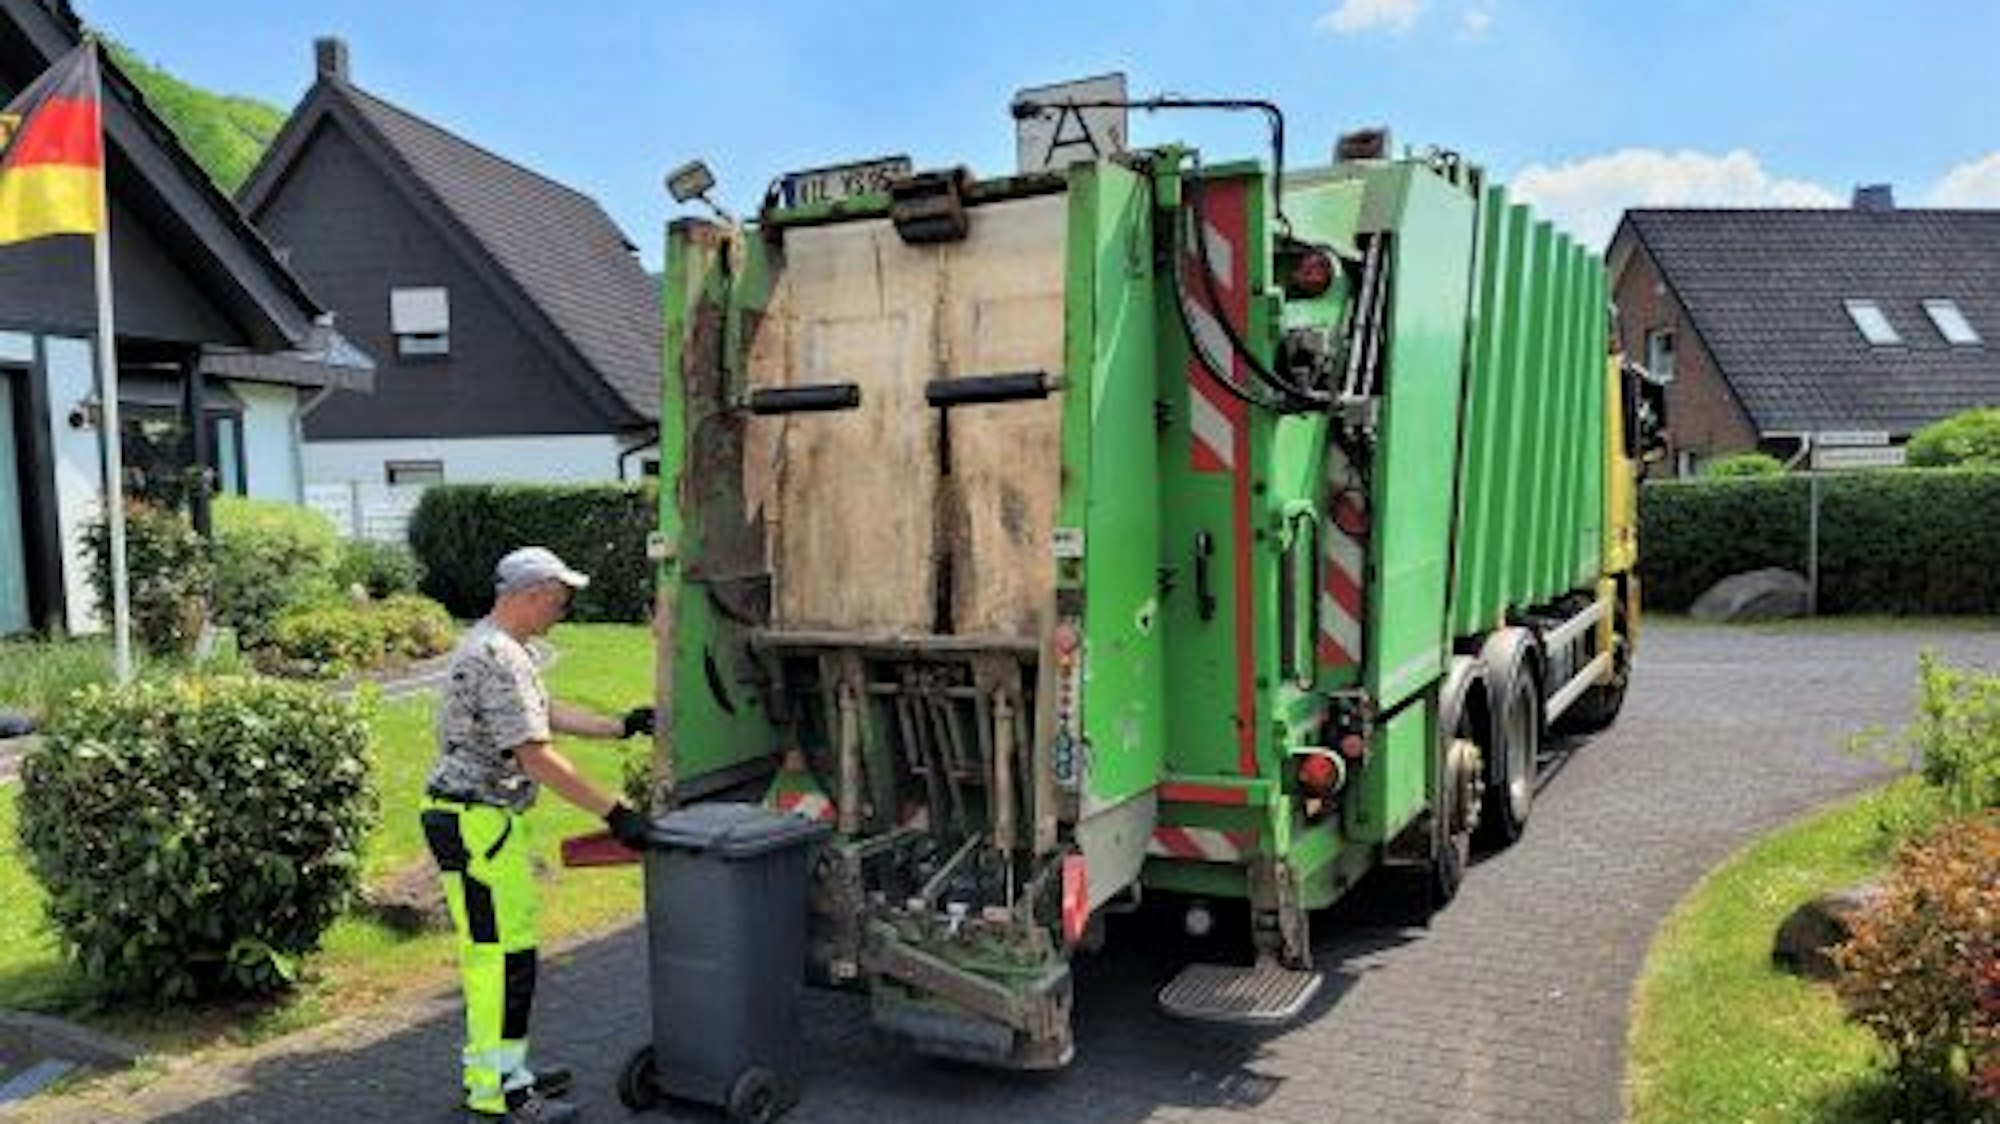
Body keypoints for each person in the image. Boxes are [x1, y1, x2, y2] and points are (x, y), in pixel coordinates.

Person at [421, 546, 655, 1122]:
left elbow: (539, 713)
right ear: (529, 595)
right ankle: (500, 1090)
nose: (562, 610)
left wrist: (618, 726)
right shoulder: (497, 656)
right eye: (557, 599)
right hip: (477, 824)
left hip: (480, 823)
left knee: (503, 956)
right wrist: (617, 814)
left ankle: (503, 1069)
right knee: (501, 961)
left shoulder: (500, 648)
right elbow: (536, 757)